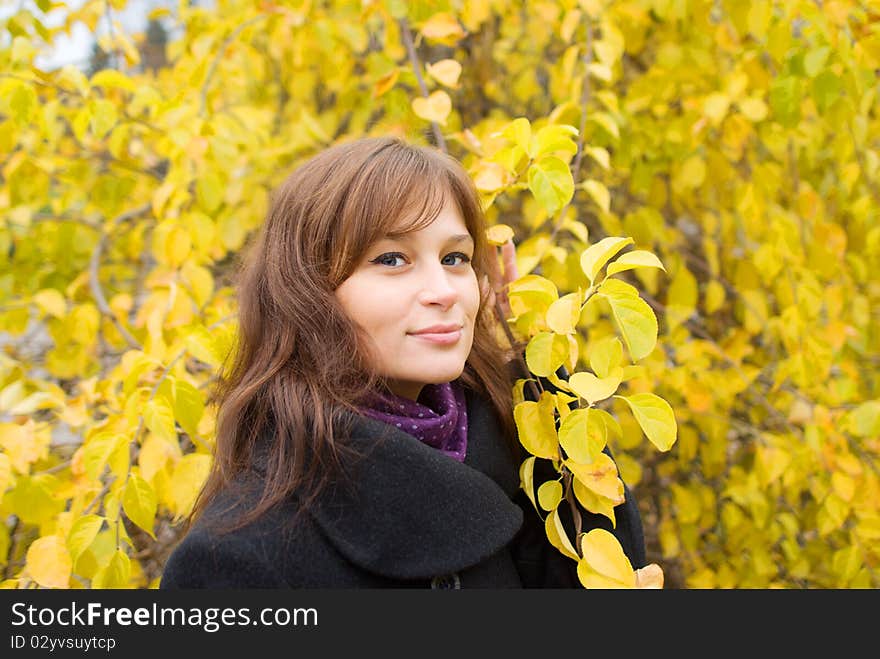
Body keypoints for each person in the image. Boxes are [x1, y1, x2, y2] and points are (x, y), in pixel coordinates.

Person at [160, 135, 646, 589]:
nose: (442, 291)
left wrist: (538, 375)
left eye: (456, 258)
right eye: (392, 259)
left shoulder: (514, 452)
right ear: (307, 292)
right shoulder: (236, 560)